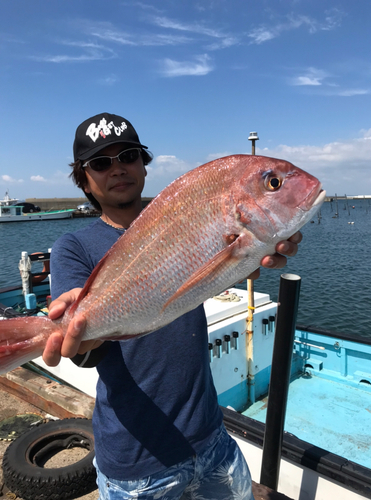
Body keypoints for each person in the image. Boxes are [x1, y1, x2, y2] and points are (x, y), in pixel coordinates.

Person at [43, 112, 302, 500]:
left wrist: (252, 257)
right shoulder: (73, 248)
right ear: (84, 179)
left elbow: (214, 269)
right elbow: (83, 354)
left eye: (128, 156)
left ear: (144, 165)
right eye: (100, 162)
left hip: (212, 438)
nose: (117, 169)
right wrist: (80, 334)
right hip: (137, 464)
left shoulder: (182, 220)